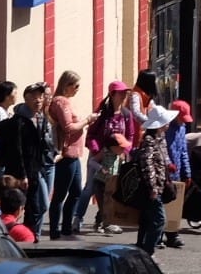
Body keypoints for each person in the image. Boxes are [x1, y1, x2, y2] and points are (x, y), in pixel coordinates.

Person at [79, 81, 137, 235]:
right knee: (90, 188)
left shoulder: (126, 114)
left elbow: (130, 136)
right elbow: (91, 134)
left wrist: (126, 150)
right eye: (120, 93)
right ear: (112, 95)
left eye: (125, 93)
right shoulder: (102, 113)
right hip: (100, 156)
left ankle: (105, 220)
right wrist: (98, 150)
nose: (124, 96)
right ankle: (77, 218)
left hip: (118, 156)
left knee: (111, 190)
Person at [129, 103, 176, 257]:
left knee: (147, 219)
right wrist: (153, 187)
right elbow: (147, 165)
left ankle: (141, 248)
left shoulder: (159, 139)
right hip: (152, 188)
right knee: (159, 220)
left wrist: (169, 165)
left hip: (158, 185)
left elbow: (163, 157)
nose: (168, 124)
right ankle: (148, 251)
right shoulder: (149, 141)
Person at [9, 82, 57, 230]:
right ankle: (28, 234)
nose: (38, 100)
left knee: (38, 205)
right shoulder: (19, 121)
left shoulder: (40, 117)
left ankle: (31, 234)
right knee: (37, 204)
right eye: (34, 97)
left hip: (40, 167)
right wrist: (23, 174)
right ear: (26, 99)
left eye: (41, 96)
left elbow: (45, 142)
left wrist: (53, 154)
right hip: (27, 171)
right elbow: (17, 150)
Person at [47, 70, 87, 240]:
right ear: (67, 85)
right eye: (75, 85)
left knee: (76, 191)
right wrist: (88, 120)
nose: (77, 89)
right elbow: (68, 127)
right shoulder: (61, 102)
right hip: (66, 154)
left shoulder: (65, 102)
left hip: (74, 154)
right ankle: (56, 229)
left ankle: (66, 226)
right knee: (60, 194)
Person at [161, 100, 193, 249]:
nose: (183, 121)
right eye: (181, 117)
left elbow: (183, 152)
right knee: (162, 206)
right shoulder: (166, 128)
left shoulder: (182, 128)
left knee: (174, 207)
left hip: (176, 173)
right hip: (164, 172)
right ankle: (161, 235)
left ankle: (172, 235)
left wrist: (187, 173)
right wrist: (167, 165)